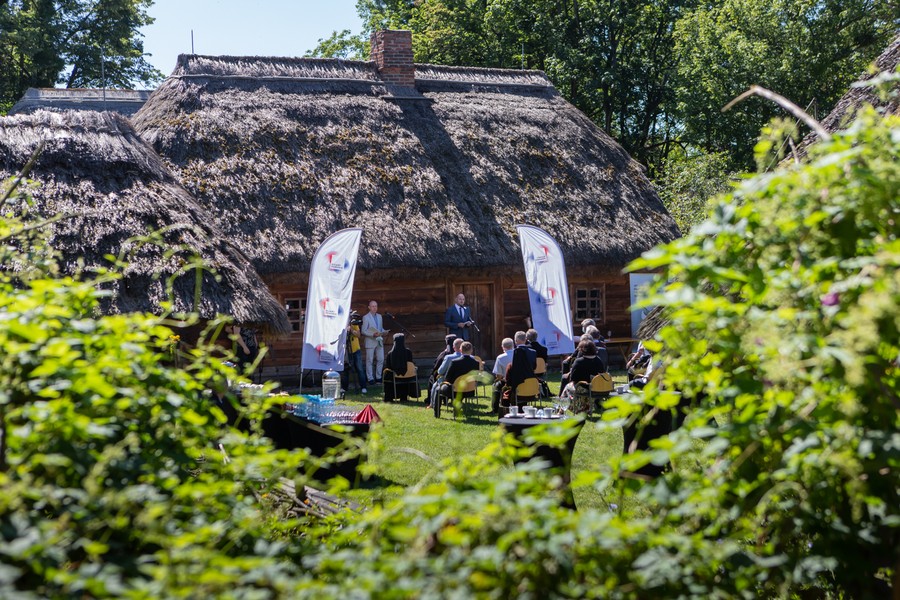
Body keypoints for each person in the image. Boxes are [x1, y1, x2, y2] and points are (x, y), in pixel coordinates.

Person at [436, 341, 480, 409]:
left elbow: (448, 378)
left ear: (460, 350)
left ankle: (437, 413)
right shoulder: (476, 363)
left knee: (438, 389)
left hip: (454, 391)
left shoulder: (454, 362)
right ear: (471, 350)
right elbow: (476, 378)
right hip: (470, 391)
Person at [429, 338, 464, 408]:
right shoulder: (471, 358)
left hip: (449, 383)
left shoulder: (448, 357)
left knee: (435, 385)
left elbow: (440, 371)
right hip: (465, 384)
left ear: (453, 347)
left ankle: (432, 404)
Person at [362, 300, 389, 385]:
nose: (374, 308)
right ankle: (370, 378)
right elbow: (363, 331)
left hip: (379, 340)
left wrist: (385, 331)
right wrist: (373, 334)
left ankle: (378, 377)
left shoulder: (379, 316)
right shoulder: (366, 317)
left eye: (376, 306)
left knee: (380, 359)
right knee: (369, 360)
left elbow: (380, 328)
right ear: (369, 307)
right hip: (370, 340)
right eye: (373, 306)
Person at [383, 333, 415, 402]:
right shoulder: (408, 352)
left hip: (395, 377)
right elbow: (410, 364)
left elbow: (388, 366)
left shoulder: (390, 354)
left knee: (387, 374)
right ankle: (404, 397)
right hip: (408, 377)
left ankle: (389, 398)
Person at [342, 311, 367, 394]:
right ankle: (344, 388)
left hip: (356, 349)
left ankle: (363, 387)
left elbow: (358, 335)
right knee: (346, 369)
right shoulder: (342, 324)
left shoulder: (354, 323)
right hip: (346, 350)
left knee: (360, 368)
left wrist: (351, 328)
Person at [491, 338, 515, 414]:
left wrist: (499, 379)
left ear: (502, 347)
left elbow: (498, 375)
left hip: (506, 382)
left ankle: (495, 408)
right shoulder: (519, 354)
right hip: (519, 381)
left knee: (495, 385)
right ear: (513, 345)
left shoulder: (500, 357)